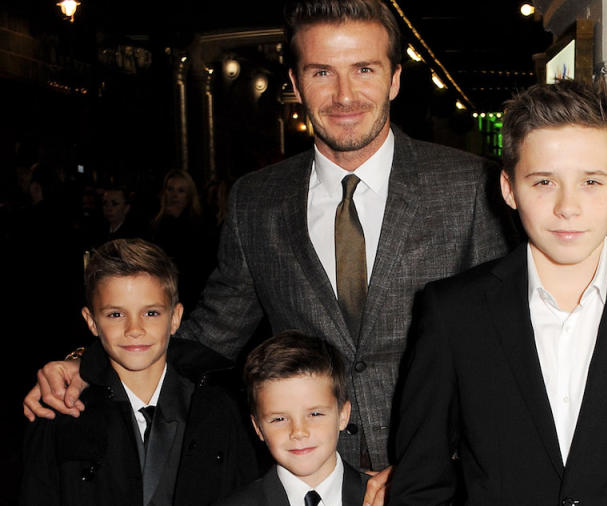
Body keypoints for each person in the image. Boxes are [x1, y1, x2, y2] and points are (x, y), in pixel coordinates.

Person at [24, 0, 510, 501]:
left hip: (439, 481)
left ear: (394, 79)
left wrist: (431, 464)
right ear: (296, 85)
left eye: (363, 69)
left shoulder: (468, 186)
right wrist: (88, 363)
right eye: (322, 72)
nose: (345, 95)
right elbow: (214, 331)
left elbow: (502, 348)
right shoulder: (258, 199)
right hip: (309, 479)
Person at [389, 79, 607, 505]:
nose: (568, 206)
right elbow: (420, 485)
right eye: (544, 182)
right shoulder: (453, 313)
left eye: (591, 182)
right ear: (509, 188)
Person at [20, 238, 258, 506]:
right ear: (91, 321)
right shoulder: (61, 413)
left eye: (152, 313)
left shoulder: (219, 409)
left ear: (176, 317)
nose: (135, 329)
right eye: (116, 315)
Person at [217, 331, 369, 506]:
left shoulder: (390, 498)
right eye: (279, 419)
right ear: (258, 427)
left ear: (343, 415)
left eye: (314, 414)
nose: (298, 432)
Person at [152, 170, 215, 312]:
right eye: (170, 189)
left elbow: (198, 261)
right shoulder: (158, 222)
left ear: (189, 195)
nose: (174, 195)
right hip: (163, 290)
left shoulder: (200, 223)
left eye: (181, 191)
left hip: (192, 293)